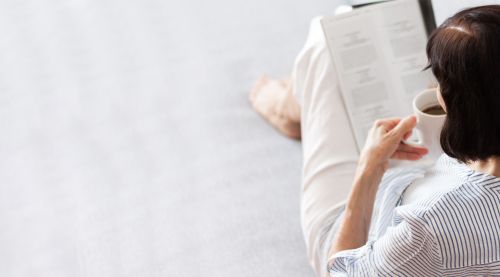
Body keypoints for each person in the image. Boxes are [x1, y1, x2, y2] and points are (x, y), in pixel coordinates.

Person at [250, 5, 500, 276]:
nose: (436, 90)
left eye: (439, 83)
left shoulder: (428, 227)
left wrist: (369, 169)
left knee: (324, 40)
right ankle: (299, 98)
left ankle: (285, 106)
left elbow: (343, 272)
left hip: (350, 228)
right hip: (416, 184)